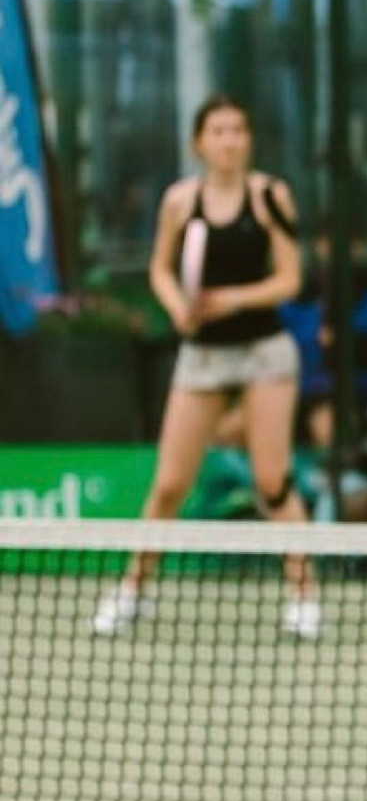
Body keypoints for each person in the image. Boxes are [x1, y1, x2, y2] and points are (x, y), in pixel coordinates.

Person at [92, 95, 318, 638]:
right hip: (203, 356)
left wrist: (232, 299)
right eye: (218, 131)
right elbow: (160, 270)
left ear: (249, 140)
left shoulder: (270, 196)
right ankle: (133, 590)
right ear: (199, 142)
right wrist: (178, 308)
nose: (229, 140)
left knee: (272, 480)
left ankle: (304, 595)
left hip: (264, 351)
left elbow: (291, 279)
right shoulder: (179, 201)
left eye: (238, 130)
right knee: (170, 483)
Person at [283, 230, 367, 455]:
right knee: (234, 426)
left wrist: (336, 340)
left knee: (325, 420)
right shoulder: (297, 294)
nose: (334, 250)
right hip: (291, 389)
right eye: (327, 242)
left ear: (358, 248)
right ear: (318, 246)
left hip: (346, 392)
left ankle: (336, 472)